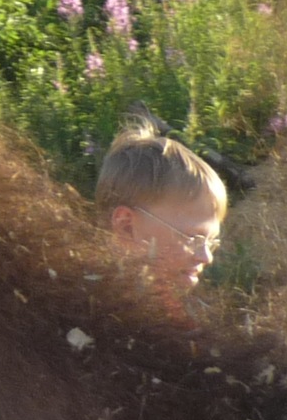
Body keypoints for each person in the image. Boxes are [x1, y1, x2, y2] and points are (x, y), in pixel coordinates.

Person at [95, 126, 227, 310]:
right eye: (192, 238)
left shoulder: (166, 312)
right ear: (126, 225)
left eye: (211, 242)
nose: (206, 257)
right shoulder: (81, 307)